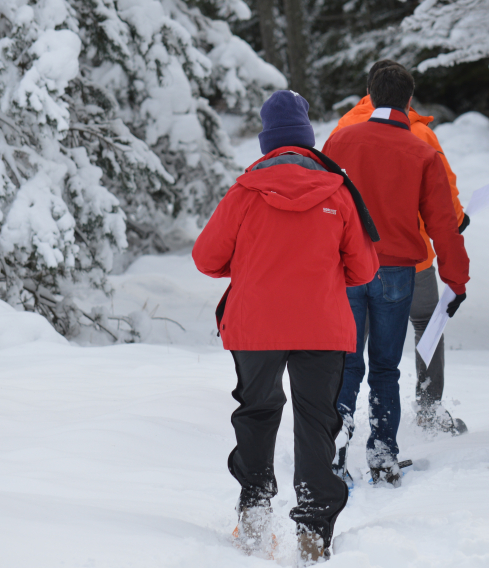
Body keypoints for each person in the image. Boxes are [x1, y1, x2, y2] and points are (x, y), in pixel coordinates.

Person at [192, 90, 379, 563]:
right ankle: (314, 530)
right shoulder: (338, 191)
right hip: (322, 327)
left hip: (255, 327)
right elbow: (364, 269)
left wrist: (252, 264)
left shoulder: (244, 192)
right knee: (317, 423)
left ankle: (255, 512)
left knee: (257, 412)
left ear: (267, 143)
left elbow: (206, 258)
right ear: (308, 139)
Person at [322, 63, 470, 485]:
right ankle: (383, 455)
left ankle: (334, 449)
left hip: (349, 267)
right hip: (397, 271)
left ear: (368, 93)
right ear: (410, 101)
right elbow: (444, 224)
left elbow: (321, 205)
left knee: (347, 364)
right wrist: (457, 280)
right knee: (385, 368)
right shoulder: (421, 151)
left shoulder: (339, 141)